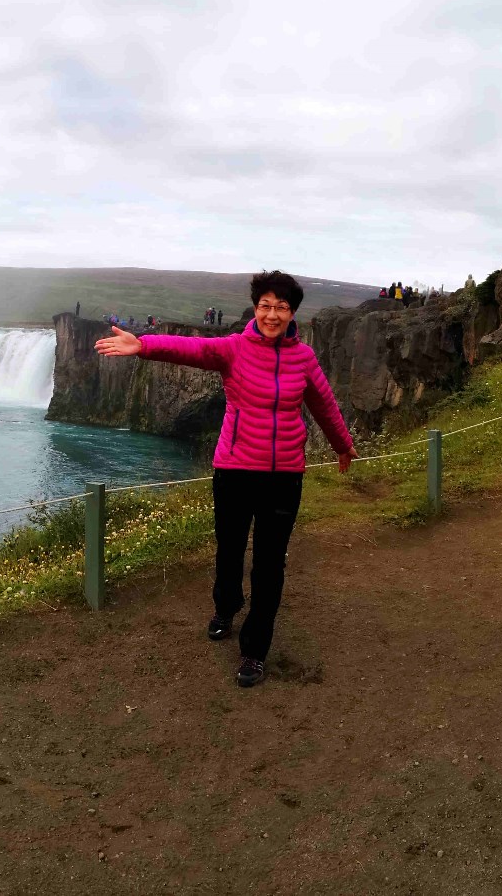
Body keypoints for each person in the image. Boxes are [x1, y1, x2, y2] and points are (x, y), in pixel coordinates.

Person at [94, 270, 354, 689]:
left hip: (284, 475)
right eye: (266, 305)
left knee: (271, 564)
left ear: (293, 313)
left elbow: (323, 402)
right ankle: (226, 606)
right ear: (255, 308)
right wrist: (143, 345)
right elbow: (191, 348)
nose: (273, 314)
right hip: (234, 469)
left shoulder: (303, 359)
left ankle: (254, 650)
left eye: (282, 307)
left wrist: (342, 445)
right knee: (230, 549)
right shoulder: (234, 348)